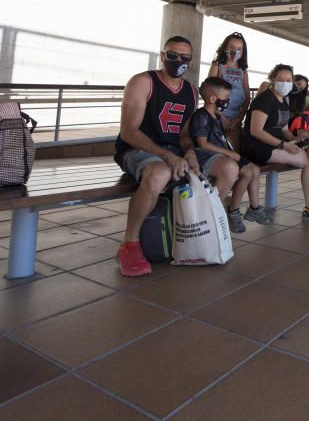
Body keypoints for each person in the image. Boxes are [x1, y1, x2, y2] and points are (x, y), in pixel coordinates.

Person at [113, 36, 240, 277]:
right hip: (138, 149)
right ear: (163, 56)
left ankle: (203, 226)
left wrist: (190, 152)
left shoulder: (190, 92)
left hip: (174, 150)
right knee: (159, 173)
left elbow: (183, 136)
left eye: (185, 57)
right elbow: (129, 131)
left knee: (229, 169)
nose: (178, 61)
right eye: (172, 55)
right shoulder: (143, 82)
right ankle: (129, 245)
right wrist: (166, 156)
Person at [243, 64, 309, 222]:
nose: (285, 83)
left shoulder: (283, 100)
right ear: (273, 79)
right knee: (308, 162)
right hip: (259, 146)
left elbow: (284, 130)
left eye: (288, 80)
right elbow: (256, 131)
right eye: (281, 79)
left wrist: (298, 139)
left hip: (277, 143)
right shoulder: (264, 99)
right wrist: (284, 145)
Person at [190, 77, 264, 233]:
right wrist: (228, 153)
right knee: (244, 170)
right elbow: (202, 144)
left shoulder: (216, 116)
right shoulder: (201, 116)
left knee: (253, 170)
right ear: (212, 98)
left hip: (224, 155)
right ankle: (214, 214)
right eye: (226, 98)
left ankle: (236, 210)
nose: (228, 101)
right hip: (210, 156)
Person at [207, 32, 251, 153]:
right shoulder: (217, 67)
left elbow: (247, 98)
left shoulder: (243, 71)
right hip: (216, 117)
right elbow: (208, 94)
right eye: (231, 47)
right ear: (225, 48)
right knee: (217, 151)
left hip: (235, 120)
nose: (234, 51)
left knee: (234, 152)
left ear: (243, 52)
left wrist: (239, 119)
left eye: (239, 49)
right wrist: (222, 117)